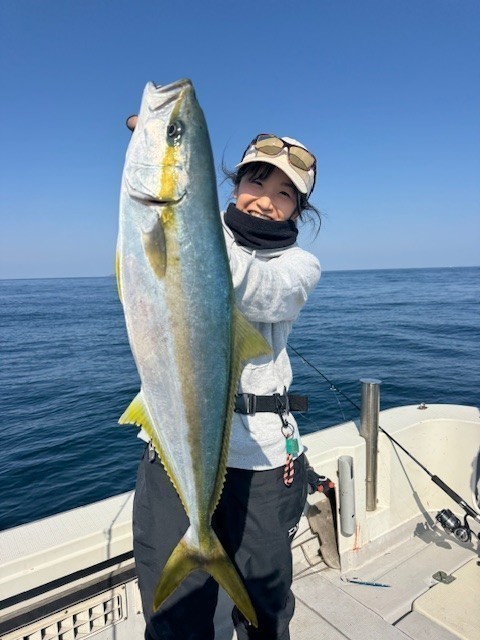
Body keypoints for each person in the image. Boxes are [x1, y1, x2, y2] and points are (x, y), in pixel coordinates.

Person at [126, 119, 321, 640]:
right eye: (256, 181)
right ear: (234, 185)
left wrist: (182, 216)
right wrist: (166, 174)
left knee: (264, 613)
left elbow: (259, 291)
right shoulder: (190, 226)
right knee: (175, 620)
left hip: (262, 461)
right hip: (171, 451)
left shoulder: (299, 266)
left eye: (285, 194)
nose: (265, 201)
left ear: (298, 211)